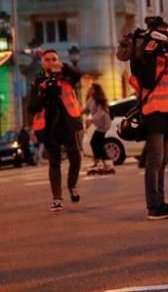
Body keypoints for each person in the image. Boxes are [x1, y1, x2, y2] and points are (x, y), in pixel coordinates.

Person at [125, 19, 168, 220]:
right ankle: (153, 205)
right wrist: (150, 53)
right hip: (154, 111)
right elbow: (147, 81)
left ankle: (161, 201)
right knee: (155, 159)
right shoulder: (142, 57)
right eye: (160, 34)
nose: (164, 39)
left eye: (167, 35)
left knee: (162, 161)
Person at [28, 49, 83, 211]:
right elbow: (32, 107)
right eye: (48, 60)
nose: (51, 62)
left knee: (76, 158)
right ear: (42, 63)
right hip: (49, 127)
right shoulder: (37, 82)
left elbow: (79, 74)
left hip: (68, 123)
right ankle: (57, 197)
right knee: (54, 162)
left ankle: (72, 185)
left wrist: (63, 68)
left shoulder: (67, 77)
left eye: (54, 59)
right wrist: (42, 91)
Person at [84, 83, 114, 175]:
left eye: (91, 89)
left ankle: (100, 163)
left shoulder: (100, 101)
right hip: (99, 124)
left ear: (96, 90)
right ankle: (107, 164)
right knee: (99, 144)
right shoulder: (91, 100)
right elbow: (86, 109)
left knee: (94, 142)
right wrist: (77, 112)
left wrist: (90, 120)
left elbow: (100, 113)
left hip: (104, 123)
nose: (89, 90)